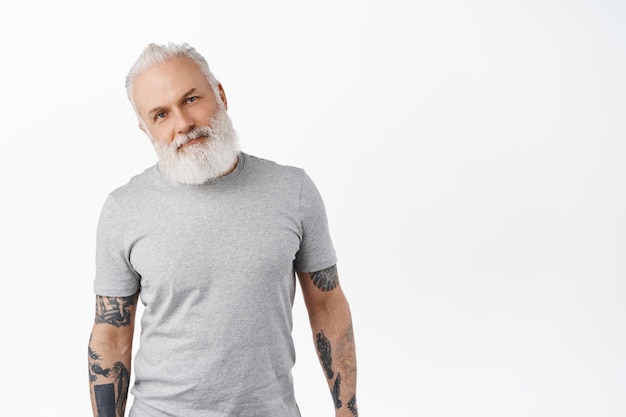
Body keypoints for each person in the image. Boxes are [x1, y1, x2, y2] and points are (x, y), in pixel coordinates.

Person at [87, 42, 358, 417]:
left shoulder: (292, 191)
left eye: (192, 98)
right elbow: (112, 335)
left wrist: (347, 411)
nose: (183, 124)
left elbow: (327, 304)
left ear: (221, 94)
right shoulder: (123, 209)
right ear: (145, 128)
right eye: (161, 115)